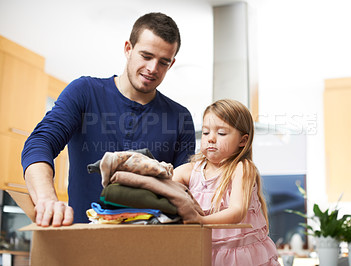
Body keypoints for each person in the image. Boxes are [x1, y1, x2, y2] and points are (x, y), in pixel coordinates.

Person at [21, 12, 196, 227]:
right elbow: (40, 143)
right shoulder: (84, 92)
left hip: (152, 247)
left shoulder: (180, 118)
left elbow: (184, 188)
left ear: (172, 63)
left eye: (164, 62)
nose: (153, 69)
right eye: (146, 56)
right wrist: (47, 200)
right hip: (82, 240)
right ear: (128, 49)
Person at [173, 99, 279, 266]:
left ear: (243, 141)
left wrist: (199, 221)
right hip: (205, 254)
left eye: (221, 133)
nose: (211, 139)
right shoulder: (191, 171)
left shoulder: (242, 168)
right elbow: (161, 181)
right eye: (206, 132)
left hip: (242, 259)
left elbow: (237, 211)